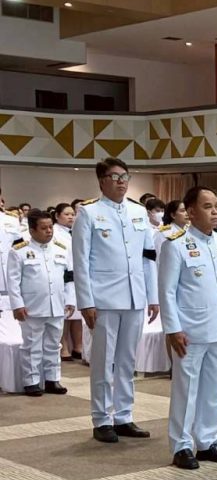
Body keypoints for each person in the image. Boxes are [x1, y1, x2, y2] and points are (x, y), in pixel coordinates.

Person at [73, 158, 159, 443]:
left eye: (125, 176)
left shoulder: (138, 211)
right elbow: (80, 261)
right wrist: (86, 301)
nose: (121, 182)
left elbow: (148, 257)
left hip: (134, 296)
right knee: (103, 361)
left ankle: (123, 416)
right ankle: (101, 419)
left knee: (127, 360)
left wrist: (153, 296)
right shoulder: (88, 213)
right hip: (104, 299)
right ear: (101, 181)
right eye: (115, 177)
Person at [159, 187, 217, 470]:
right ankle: (181, 445)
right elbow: (167, 291)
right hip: (190, 330)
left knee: (214, 389)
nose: (216, 212)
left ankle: (208, 441)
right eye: (208, 207)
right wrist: (173, 328)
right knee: (186, 390)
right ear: (191, 212)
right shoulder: (175, 244)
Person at [7, 210, 74, 396]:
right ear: (32, 230)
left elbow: (69, 278)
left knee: (54, 345)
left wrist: (70, 300)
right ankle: (31, 381)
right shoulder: (19, 251)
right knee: (32, 346)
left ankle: (53, 379)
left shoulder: (61, 248)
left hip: (57, 305)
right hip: (31, 307)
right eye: (44, 228)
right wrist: (17, 305)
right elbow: (13, 281)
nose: (49, 231)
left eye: (50, 227)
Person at [52, 203, 83, 362]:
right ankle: (63, 347)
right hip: (64, 276)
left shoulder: (77, 230)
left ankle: (78, 346)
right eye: (66, 214)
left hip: (79, 276)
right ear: (57, 216)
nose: (71, 217)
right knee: (65, 314)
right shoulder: (55, 232)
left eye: (72, 214)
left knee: (78, 314)